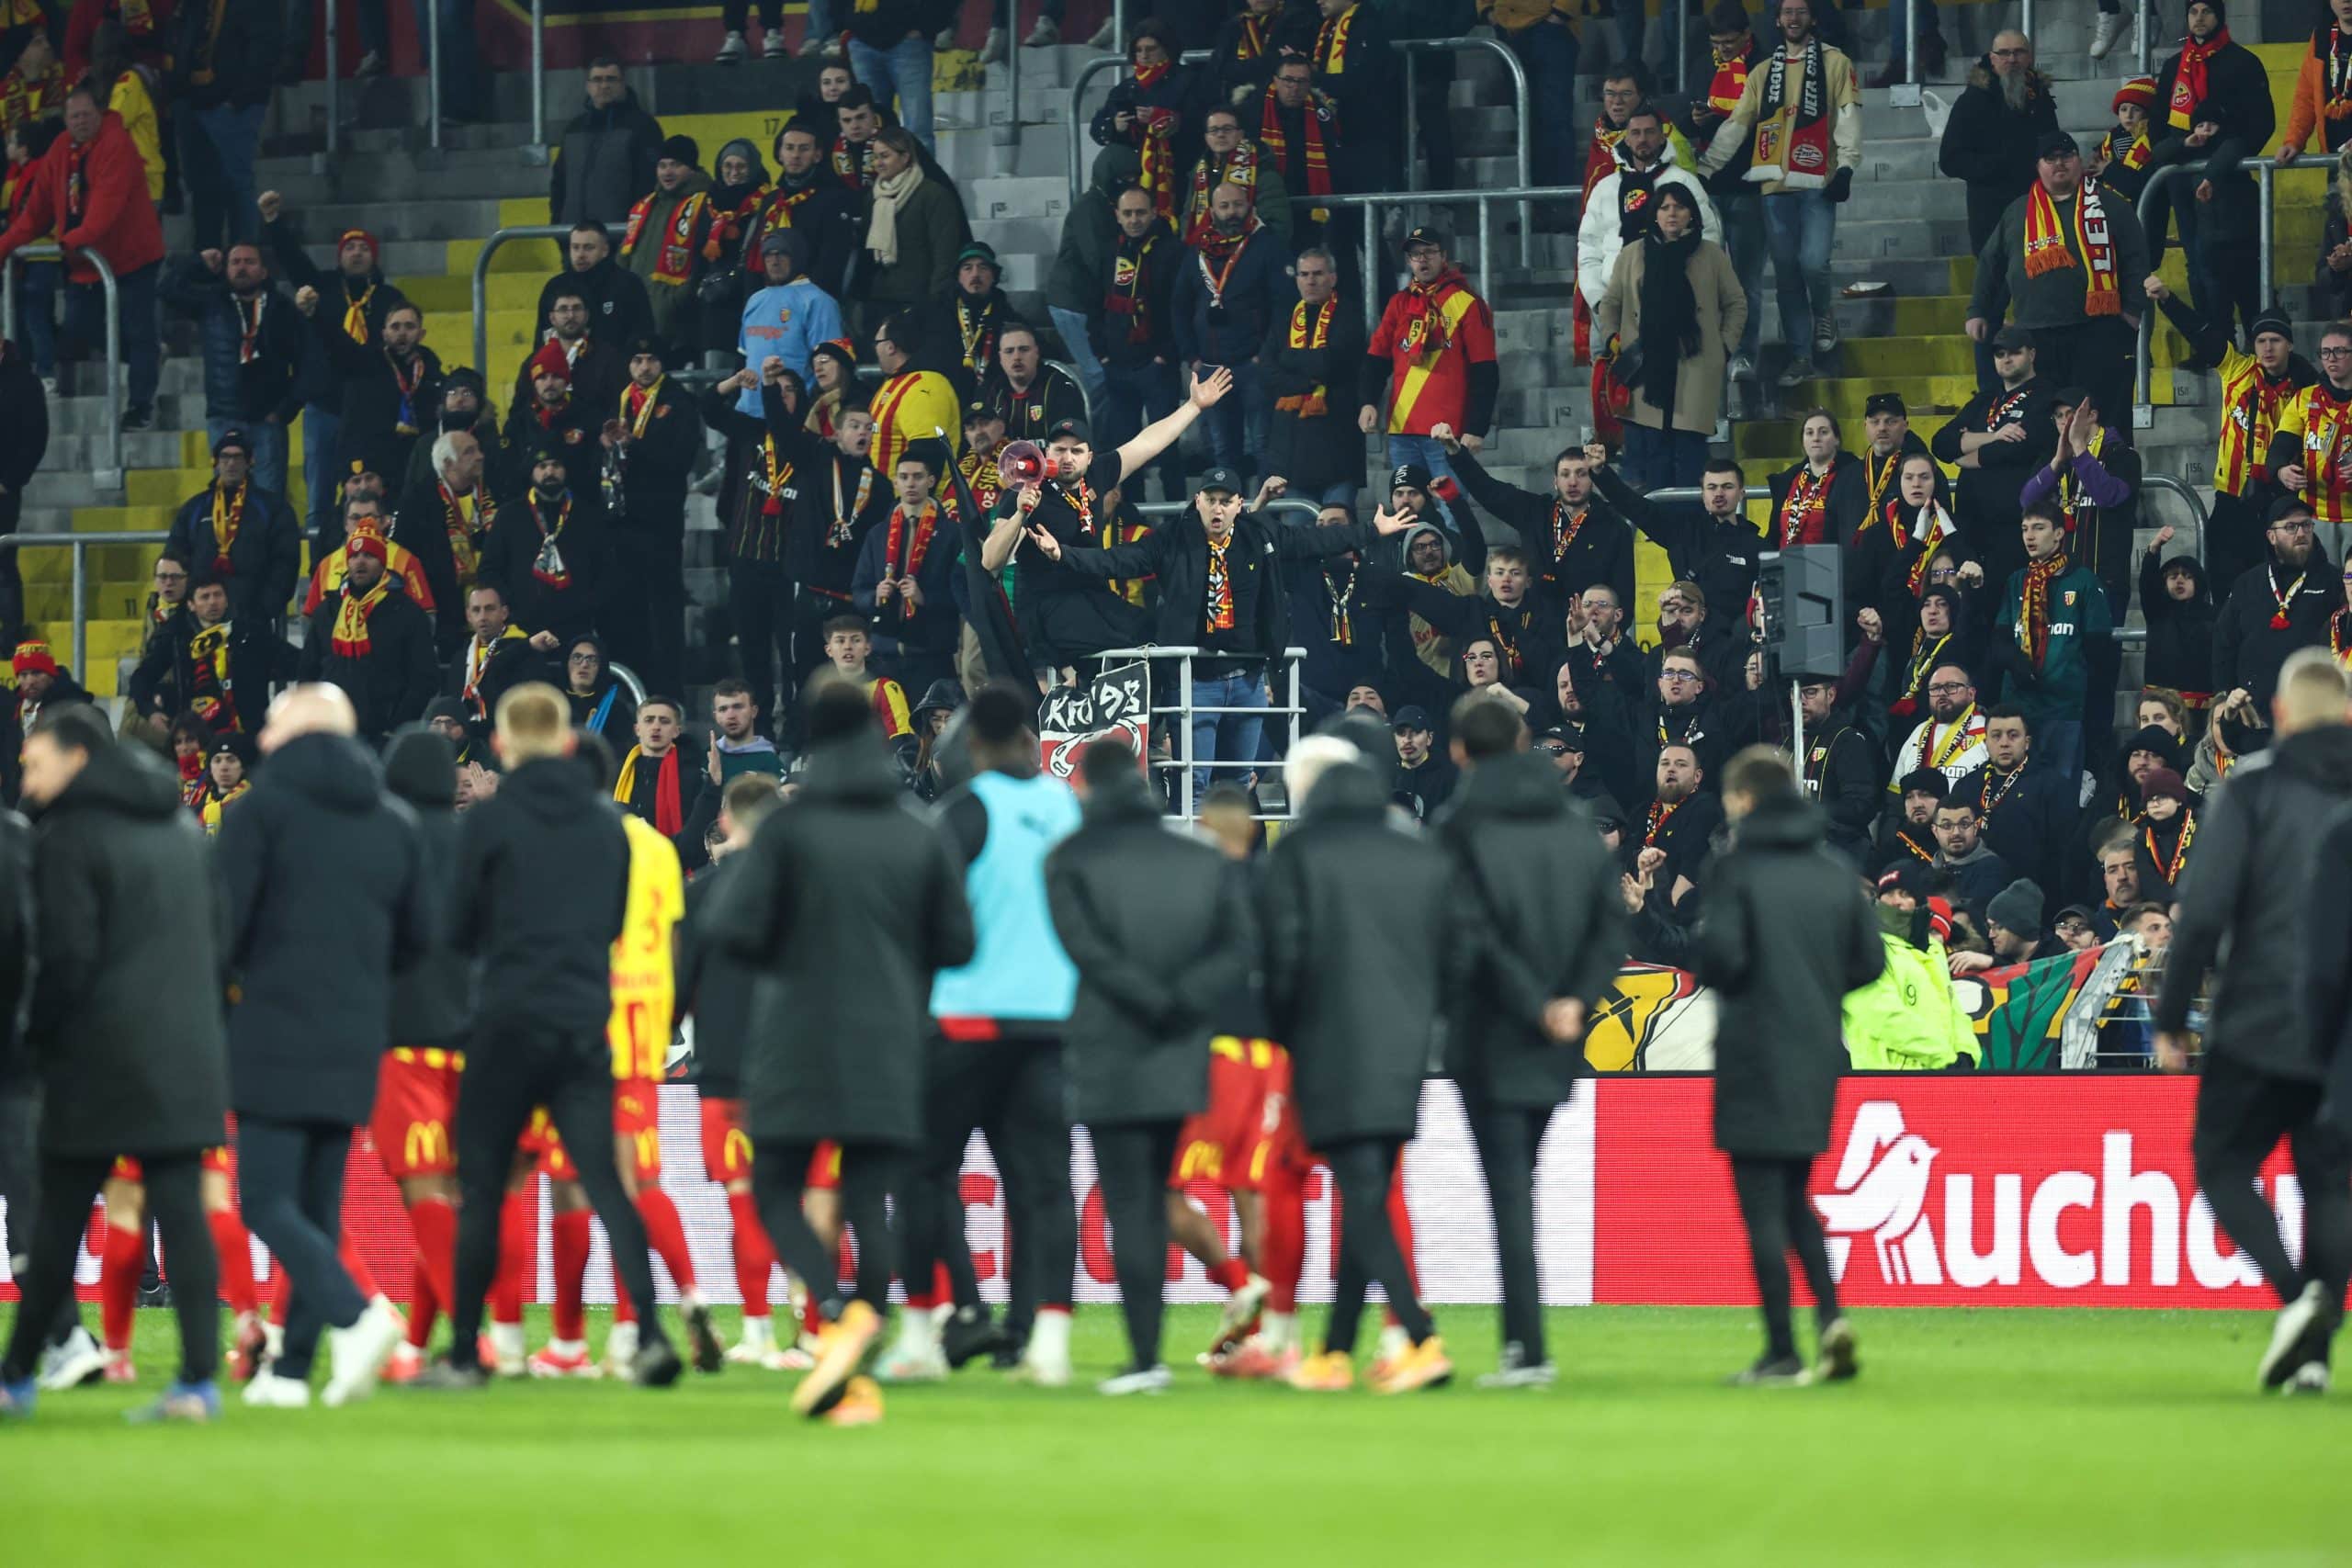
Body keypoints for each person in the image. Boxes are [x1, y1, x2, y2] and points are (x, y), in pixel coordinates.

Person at [708, 679, 976, 1423]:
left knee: (773, 1187)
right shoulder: (917, 828)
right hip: (891, 1040)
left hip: (795, 1038)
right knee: (868, 1198)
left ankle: (832, 1306)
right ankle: (861, 1317)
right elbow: (960, 941)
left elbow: (732, 925)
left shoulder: (789, 832)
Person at [418, 682, 684, 1391]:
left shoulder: (489, 823)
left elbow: (456, 930)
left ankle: (471, 1351)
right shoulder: (606, 825)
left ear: (501, 745)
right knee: (606, 1182)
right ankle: (651, 1334)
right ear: (568, 741)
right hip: (581, 1023)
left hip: (505, 1020)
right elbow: (611, 926)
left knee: (485, 1189)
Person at [0, 706, 230, 1423]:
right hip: (185, 1046)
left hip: (99, 1055)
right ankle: (197, 1381)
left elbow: (64, 957)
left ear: (74, 757)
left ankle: (16, 1377)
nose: (24, 777)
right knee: (179, 1210)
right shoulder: (182, 826)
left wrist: (33, 1038)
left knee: (60, 1210)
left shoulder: (68, 836)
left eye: (34, 762)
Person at [219, 686, 430, 1410]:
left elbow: (223, 931)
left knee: (268, 1203)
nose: (264, 732)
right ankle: (288, 1374)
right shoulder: (393, 820)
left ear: (300, 729)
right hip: (355, 1034)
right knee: (313, 1204)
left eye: (273, 718)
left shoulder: (260, 812)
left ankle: (359, 1314)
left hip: (274, 1028)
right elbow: (418, 939)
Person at [1033, 736, 1252, 1394]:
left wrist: (1143, 997)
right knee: (1156, 1198)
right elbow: (1238, 944)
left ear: (1084, 788)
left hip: (1108, 1046)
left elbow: (1085, 950)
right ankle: (1156, 1351)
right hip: (1180, 1048)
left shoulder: (1067, 858)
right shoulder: (1197, 856)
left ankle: (1146, 1356)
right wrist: (1181, 1000)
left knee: (1130, 1203)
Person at [2163, 649, 2352, 1392]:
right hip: (2343, 1033)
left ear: (2278, 714)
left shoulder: (2253, 789)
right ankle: (2313, 1352)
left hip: (2262, 1014)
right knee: (2331, 1180)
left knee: (2222, 1163)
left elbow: (2204, 909)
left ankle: (2295, 1296)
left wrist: (2173, 1016)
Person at [1436, 694, 1625, 1385]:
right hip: (1559, 1038)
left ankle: (1528, 1348)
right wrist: (1574, 999)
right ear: (1521, 744)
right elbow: (1610, 925)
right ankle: (1525, 1347)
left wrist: (1533, 1001)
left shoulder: (1458, 824)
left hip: (1489, 1030)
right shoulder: (1575, 826)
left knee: (1509, 1189)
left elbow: (1467, 930)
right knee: (1523, 1181)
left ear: (1459, 750)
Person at [1029, 465, 1402, 800]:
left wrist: (1371, 530)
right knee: (1195, 782)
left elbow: (1314, 541)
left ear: (1240, 503)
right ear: (1198, 500)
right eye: (1211, 500)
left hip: (1248, 680)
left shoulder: (1261, 533)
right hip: (1194, 681)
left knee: (1238, 782)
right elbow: (1119, 560)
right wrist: (1063, 554)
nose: (1218, 509)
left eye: (1226, 501)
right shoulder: (1173, 537)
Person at [1262, 741, 1453, 1394]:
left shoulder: (1299, 852)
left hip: (1327, 1041)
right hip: (1405, 1044)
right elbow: (1446, 947)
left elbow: (1282, 957)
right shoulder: (1415, 851)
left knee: (1362, 1196)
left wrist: (1283, 1033)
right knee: (1365, 1187)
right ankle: (1334, 1352)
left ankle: (1421, 1338)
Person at [1699, 745, 1881, 1383]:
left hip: (1753, 1050)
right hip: (1818, 1053)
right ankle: (1831, 1317)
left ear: (1745, 800)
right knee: (1797, 1195)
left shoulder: (1738, 867)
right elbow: (1870, 963)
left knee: (1762, 1208)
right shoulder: (1835, 869)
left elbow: (1720, 957)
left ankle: (1781, 1349)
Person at [676, 772, 801, 1369]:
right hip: (796, 1065)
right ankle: (813, 1329)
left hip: (725, 1067)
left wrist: (663, 1034)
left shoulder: (703, 892)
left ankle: (757, 1332)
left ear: (725, 820)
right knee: (806, 1202)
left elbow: (681, 982)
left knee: (745, 1199)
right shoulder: (807, 889)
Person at [1696, 0, 1860, 389]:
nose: (1793, 18)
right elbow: (1736, 126)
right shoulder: (1762, 71)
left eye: (1801, 11)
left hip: (1819, 179)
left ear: (1813, 18)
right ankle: (1801, 355)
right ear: (1777, 20)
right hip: (1772, 185)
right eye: (1787, 11)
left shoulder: (1837, 63)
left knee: (1814, 264)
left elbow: (1850, 115)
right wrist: (1706, 169)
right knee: (1786, 273)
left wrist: (1848, 165)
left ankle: (1823, 312)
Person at [0, 83, 162, 428]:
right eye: (74, 116)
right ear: (66, 119)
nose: (80, 121)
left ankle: (140, 406)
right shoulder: (60, 149)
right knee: (80, 331)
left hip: (132, 257)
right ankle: (144, 358)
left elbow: (107, 208)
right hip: (85, 262)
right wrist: (5, 245)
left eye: (86, 114)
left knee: (138, 330)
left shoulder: (118, 145)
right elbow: (35, 213)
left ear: (100, 114)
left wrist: (68, 242)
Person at [1965, 133, 2150, 428]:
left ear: (2079, 161)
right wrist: (1978, 310)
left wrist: (2131, 313)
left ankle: (2109, 475)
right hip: (2035, 336)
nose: (2059, 163)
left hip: (2099, 332)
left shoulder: (2110, 204)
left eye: (2067, 156)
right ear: (2038, 166)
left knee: (2105, 422)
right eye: (2050, 158)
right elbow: (1990, 264)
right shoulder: (2018, 211)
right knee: (2042, 428)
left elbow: (2137, 259)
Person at [257, 194, 409, 548]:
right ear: (339, 256)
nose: (356, 253)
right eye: (349, 247)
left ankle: (374, 554)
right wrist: (273, 222)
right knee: (320, 498)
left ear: (374, 257)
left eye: (364, 248)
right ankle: (322, 569)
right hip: (323, 406)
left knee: (369, 493)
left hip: (370, 412)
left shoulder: (389, 298)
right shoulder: (323, 288)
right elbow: (293, 263)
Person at [2148, 279, 2311, 592]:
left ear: (2289, 344)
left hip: (2279, 500)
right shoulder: (2237, 368)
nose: (2267, 347)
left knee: (2278, 588)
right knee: (2225, 587)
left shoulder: (2306, 387)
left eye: (2275, 340)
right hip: (2232, 498)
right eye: (2261, 340)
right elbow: (2200, 333)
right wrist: (2167, 299)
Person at [1596, 185, 1746, 491]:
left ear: (1692, 213)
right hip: (1645, 370)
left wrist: (1724, 348)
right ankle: (1651, 536)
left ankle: (1689, 533)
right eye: (1664, 207)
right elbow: (1611, 302)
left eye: (1679, 206)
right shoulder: (1632, 254)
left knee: (1690, 463)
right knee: (1649, 464)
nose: (1672, 213)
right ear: (1654, 214)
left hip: (1696, 366)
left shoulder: (1711, 255)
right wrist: (1614, 338)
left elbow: (1736, 304)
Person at [2148, 0, 2274, 349]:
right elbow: (2158, 128)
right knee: (2196, 265)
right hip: (2182, 181)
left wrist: (2222, 152)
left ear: (2219, 17)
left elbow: (2262, 124)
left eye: (2206, 11)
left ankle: (2258, 341)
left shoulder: (2244, 62)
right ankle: (2212, 346)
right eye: (2193, 11)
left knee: (2239, 262)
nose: (2199, 18)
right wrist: (2185, 146)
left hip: (2230, 180)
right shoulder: (2174, 67)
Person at [1937, 31, 2056, 387]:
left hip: (2038, 217)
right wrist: (2002, 167)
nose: (2012, 59)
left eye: (2019, 52)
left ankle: (2040, 384)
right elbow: (1950, 159)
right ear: (1991, 58)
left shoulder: (2040, 97)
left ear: (2030, 56)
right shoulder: (1973, 100)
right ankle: (1990, 392)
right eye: (2004, 53)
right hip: (1992, 221)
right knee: (1989, 311)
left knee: (2039, 306)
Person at [1358, 227, 1496, 491]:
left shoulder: (1468, 303)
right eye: (1415, 254)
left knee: (1452, 513)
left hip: (1448, 434)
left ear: (1443, 256)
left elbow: (1485, 370)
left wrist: (1476, 427)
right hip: (1402, 432)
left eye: (1429, 252)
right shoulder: (1398, 303)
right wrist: (1367, 401)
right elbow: (1377, 358)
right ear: (1408, 261)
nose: (1422, 259)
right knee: (1408, 513)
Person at [160, 243, 303, 497]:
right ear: (225, 270)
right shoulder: (212, 302)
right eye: (235, 262)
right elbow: (166, 289)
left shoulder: (283, 308)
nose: (241, 268)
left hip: (267, 419)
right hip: (224, 415)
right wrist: (197, 263)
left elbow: (305, 362)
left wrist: (284, 410)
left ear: (263, 271)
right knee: (226, 498)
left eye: (249, 262)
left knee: (269, 500)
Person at [1171, 180, 1287, 483]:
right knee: (1223, 451)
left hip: (1253, 365)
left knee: (1264, 446)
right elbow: (1179, 306)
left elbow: (1283, 306)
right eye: (1224, 206)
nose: (1231, 212)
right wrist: (1192, 358)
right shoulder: (1198, 251)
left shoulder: (1267, 245)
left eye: (1237, 205)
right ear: (1212, 211)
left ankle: (1265, 524)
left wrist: (1266, 355)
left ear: (1250, 206)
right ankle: (1231, 522)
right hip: (1210, 368)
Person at [1444, 435, 1632, 619]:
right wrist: (1456, 453)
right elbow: (1489, 490)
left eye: (1581, 474)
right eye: (1565, 474)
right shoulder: (1535, 512)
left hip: (1587, 632)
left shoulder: (1613, 527)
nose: (1573, 482)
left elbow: (1624, 594)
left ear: (1593, 479)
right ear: (1555, 482)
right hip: (1535, 631)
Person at [1988, 503, 2111, 781]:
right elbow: (2001, 639)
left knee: (2060, 790)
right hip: (2018, 711)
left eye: (2038, 528)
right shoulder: (2016, 581)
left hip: (2064, 710)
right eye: (2025, 529)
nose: (2029, 536)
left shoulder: (2084, 582)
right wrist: (2016, 662)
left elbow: (2100, 651)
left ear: (2058, 534)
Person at [295, 518, 438, 744]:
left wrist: (396, 727)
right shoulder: (327, 612)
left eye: (369, 556)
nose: (360, 562)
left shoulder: (407, 613)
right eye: (354, 556)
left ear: (383, 564)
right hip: (333, 735)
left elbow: (424, 678)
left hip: (384, 737)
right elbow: (307, 672)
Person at [1577, 103, 1722, 321]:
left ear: (1663, 137)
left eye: (1649, 132)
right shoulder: (1605, 188)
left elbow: (1709, 242)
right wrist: (1599, 300)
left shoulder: (1684, 182)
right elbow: (1588, 250)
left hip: (1673, 304)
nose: (1642, 139)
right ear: (1626, 138)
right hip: (1614, 304)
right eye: (1635, 133)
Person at [1090, 182, 1184, 504]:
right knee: (1124, 451)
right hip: (1118, 367)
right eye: (1127, 213)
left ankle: (1176, 516)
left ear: (1154, 213)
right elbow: (1095, 304)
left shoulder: (1172, 251)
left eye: (1140, 212)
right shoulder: (1108, 250)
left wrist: (1165, 355)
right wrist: (1101, 354)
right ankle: (1131, 517)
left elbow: (1180, 305)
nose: (1134, 219)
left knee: (1167, 448)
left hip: (1157, 366)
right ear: (1116, 215)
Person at [1260, 244, 1365, 509]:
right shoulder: (1284, 316)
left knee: (1338, 536)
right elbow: (1268, 369)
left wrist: (1290, 361)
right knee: (1299, 540)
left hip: (1337, 442)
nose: (1311, 280)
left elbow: (1332, 362)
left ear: (1333, 278)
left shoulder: (1349, 314)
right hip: (1292, 451)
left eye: (1318, 273)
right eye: (1304, 274)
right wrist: (1308, 381)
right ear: (1296, 279)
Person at [164, 427, 301, 629]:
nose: (231, 463)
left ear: (249, 461)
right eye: (225, 457)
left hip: (252, 615)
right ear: (216, 461)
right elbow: (175, 556)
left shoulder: (272, 507)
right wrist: (190, 603)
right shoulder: (195, 508)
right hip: (199, 617)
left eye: (238, 457)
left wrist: (265, 608)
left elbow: (286, 561)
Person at [2215, 496, 2344, 710]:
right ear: (2272, 536)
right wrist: (2224, 695)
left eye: (2306, 525)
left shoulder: (2333, 580)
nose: (2301, 533)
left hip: (2314, 708)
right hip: (2255, 712)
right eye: (2291, 527)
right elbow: (2224, 641)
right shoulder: (2248, 583)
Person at [168, 0, 275, 253]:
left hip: (234, 104)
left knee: (237, 184)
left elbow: (265, 46)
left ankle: (245, 257)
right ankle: (208, 257)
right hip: (192, 101)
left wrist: (239, 99)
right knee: (200, 187)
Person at [745, 118, 865, 304]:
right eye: (790, 148)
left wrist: (796, 301)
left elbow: (830, 263)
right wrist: (756, 301)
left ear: (817, 155)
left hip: (811, 303)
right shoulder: (771, 200)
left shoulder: (834, 199)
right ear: (780, 154)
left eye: (804, 148)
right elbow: (755, 255)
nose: (795, 155)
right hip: (768, 302)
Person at [619, 136, 717, 355]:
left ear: (691, 168)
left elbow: (701, 261)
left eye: (676, 165)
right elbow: (625, 255)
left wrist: (675, 301)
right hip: (640, 313)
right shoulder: (647, 205)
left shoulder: (705, 203)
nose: (667, 172)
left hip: (679, 320)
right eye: (662, 165)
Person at [2266, 321, 2352, 567]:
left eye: (2340, 351)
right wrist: (2282, 471)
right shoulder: (2305, 398)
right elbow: (2279, 450)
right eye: (2325, 352)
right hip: (2315, 516)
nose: (2331, 358)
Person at [857, 129, 961, 331]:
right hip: (880, 300)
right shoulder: (873, 198)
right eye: (875, 157)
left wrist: (936, 300)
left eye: (885, 156)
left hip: (919, 299)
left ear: (905, 157)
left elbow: (945, 254)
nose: (878, 163)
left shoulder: (934, 195)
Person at [550, 60, 663, 228]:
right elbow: (559, 183)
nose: (604, 85)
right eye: (597, 80)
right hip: (574, 239)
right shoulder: (574, 129)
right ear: (588, 86)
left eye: (611, 79)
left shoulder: (644, 127)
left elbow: (649, 185)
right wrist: (557, 224)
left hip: (623, 237)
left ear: (623, 83)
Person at [535, 220, 655, 355]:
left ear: (605, 250)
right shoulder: (555, 287)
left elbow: (642, 335)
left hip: (616, 371)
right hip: (567, 373)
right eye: (575, 247)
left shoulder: (628, 284)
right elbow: (541, 342)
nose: (580, 254)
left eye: (588, 248)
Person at [1180, 105, 1292, 249]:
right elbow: (1187, 219)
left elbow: (1278, 227)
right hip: (1206, 254)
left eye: (1227, 129)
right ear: (1206, 137)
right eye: (1214, 130)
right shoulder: (1199, 173)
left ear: (1240, 134)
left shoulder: (1261, 170)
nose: (1220, 134)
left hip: (1252, 253)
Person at [865, 310, 959, 480]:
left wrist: (912, 506)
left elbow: (928, 452)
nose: (875, 350)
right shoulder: (895, 383)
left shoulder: (924, 385)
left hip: (909, 504)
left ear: (890, 346)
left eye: (876, 343)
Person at [922, 240, 1023, 395]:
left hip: (996, 399)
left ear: (994, 276)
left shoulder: (1008, 317)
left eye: (983, 268)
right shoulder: (937, 312)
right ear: (958, 277)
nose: (975, 274)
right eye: (967, 268)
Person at [845, 0, 934, 154]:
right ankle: (874, 178)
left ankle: (921, 178)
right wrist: (847, 24)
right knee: (870, 128)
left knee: (918, 126)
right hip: (862, 42)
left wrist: (928, 26)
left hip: (911, 42)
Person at [982, 323, 1084, 449]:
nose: (1017, 357)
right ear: (1000, 358)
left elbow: (1072, 444)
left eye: (1024, 349)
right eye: (1009, 351)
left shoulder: (1060, 388)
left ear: (1036, 353)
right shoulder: (992, 391)